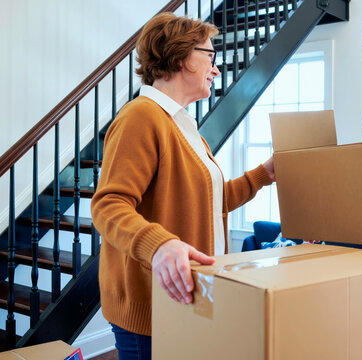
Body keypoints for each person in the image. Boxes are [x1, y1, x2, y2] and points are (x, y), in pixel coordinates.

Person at [90, 13, 275, 359]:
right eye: (210, 56)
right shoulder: (140, 117)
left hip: (189, 298)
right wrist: (160, 245)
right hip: (153, 308)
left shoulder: (184, 126)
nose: (216, 68)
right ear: (181, 57)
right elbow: (108, 205)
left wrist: (264, 173)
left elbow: (210, 200)